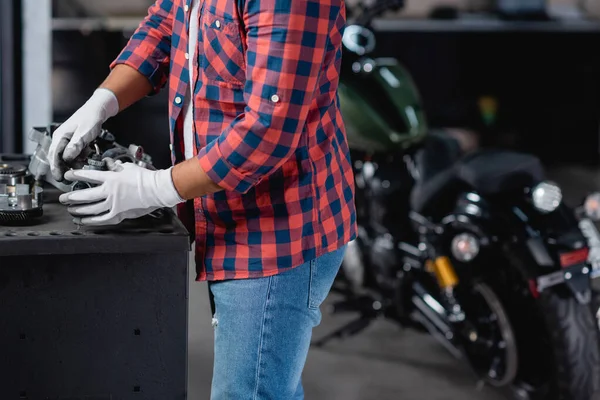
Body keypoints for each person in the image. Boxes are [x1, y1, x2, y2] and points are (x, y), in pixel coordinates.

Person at [47, 0, 357, 398]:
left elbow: (268, 129)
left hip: (276, 229)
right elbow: (165, 25)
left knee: (250, 393)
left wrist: (154, 188)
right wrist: (102, 102)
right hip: (222, 211)